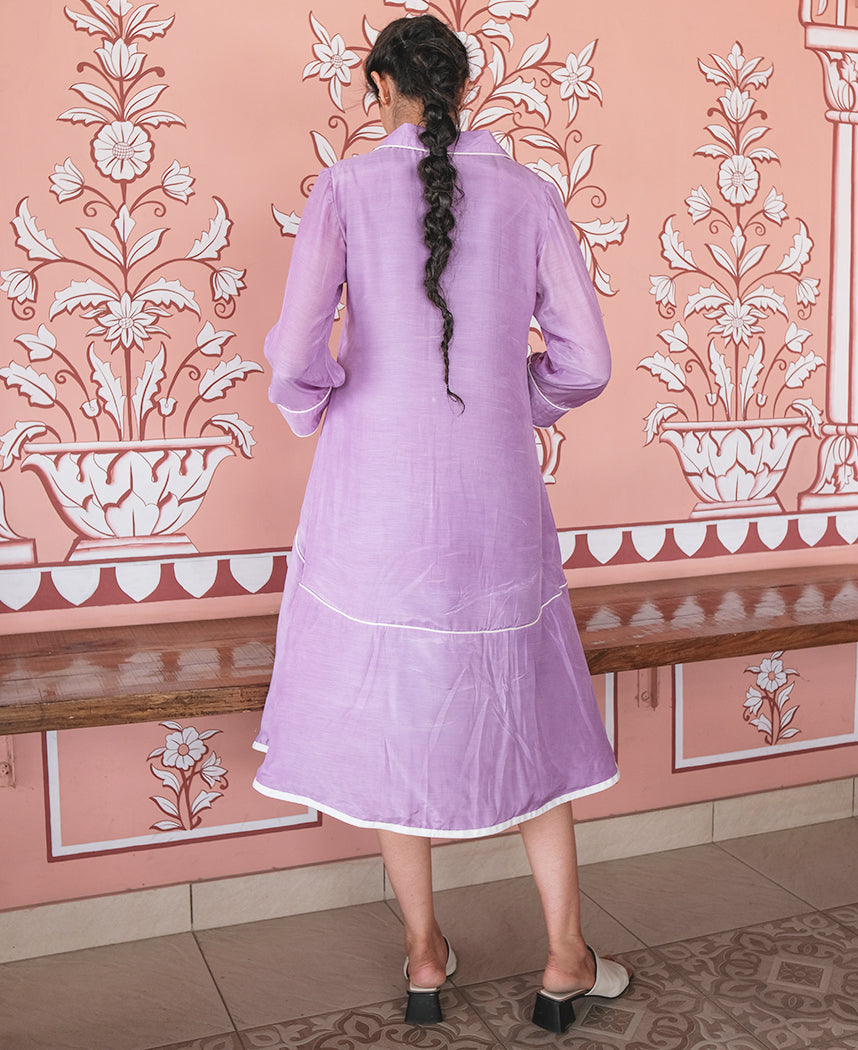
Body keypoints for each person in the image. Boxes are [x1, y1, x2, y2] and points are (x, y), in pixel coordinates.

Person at [253, 13, 630, 1033]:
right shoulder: (528, 193)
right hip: (495, 496)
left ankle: (425, 953)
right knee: (531, 712)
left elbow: (294, 357)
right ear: (462, 87)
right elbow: (587, 363)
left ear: (384, 88)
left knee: (391, 721)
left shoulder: (343, 188)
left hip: (371, 498)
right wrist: (517, 401)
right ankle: (566, 957)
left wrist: (323, 408)